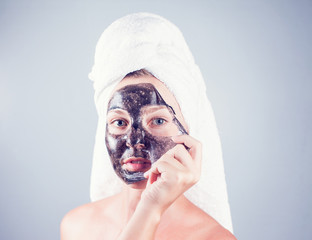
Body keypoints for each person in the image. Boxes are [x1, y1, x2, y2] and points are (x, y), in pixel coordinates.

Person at [61, 13, 236, 240]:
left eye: (158, 121)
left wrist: (152, 206)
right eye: (119, 122)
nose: (134, 140)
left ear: (187, 131)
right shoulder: (77, 226)